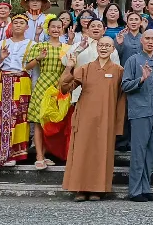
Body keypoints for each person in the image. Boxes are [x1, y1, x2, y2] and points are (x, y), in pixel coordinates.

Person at [61, 36, 125, 201]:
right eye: (101, 45)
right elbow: (65, 87)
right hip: (85, 116)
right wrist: (68, 68)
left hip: (107, 118)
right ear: (97, 48)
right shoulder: (86, 68)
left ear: (113, 50)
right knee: (82, 151)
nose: (104, 48)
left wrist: (118, 122)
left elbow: (122, 98)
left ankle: (98, 189)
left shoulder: (118, 70)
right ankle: (80, 189)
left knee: (102, 152)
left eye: (107, 46)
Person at [121, 29, 153, 202]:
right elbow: (125, 86)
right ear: (141, 40)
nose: (150, 41)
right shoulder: (133, 61)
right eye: (147, 38)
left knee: (151, 152)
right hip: (140, 111)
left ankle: (146, 188)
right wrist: (141, 80)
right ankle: (134, 190)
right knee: (139, 152)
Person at [0, 14, 33, 168]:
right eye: (15, 22)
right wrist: (1, 59)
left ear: (27, 27)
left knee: (18, 117)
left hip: (22, 81)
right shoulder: (1, 44)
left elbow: (34, 70)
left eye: (21, 23)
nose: (18, 25)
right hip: (3, 80)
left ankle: (12, 154)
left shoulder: (32, 44)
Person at [24, 17, 69, 169]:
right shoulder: (40, 46)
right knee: (39, 121)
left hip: (59, 85)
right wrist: (38, 58)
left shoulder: (67, 47)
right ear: (47, 30)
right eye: (53, 27)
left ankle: (46, 152)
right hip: (43, 84)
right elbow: (27, 66)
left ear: (63, 29)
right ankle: (39, 156)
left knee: (53, 121)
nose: (56, 30)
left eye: (59, 27)